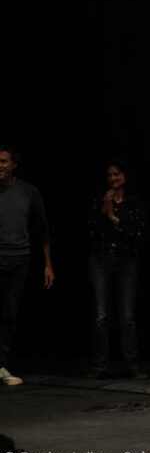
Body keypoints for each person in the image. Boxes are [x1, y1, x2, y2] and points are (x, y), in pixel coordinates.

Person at [86, 158, 147, 380]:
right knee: (101, 315)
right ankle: (99, 366)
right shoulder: (99, 201)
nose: (113, 178)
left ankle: (131, 364)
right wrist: (104, 211)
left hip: (126, 260)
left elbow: (137, 233)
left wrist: (113, 217)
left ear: (124, 176)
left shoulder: (133, 203)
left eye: (117, 174)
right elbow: (91, 231)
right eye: (110, 175)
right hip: (101, 259)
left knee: (127, 315)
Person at [0, 144, 55, 387]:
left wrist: (48, 265)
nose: (0, 166)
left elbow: (42, 229)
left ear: (13, 165)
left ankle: (0, 364)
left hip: (18, 260)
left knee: (9, 314)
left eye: (3, 161)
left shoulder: (28, 191)